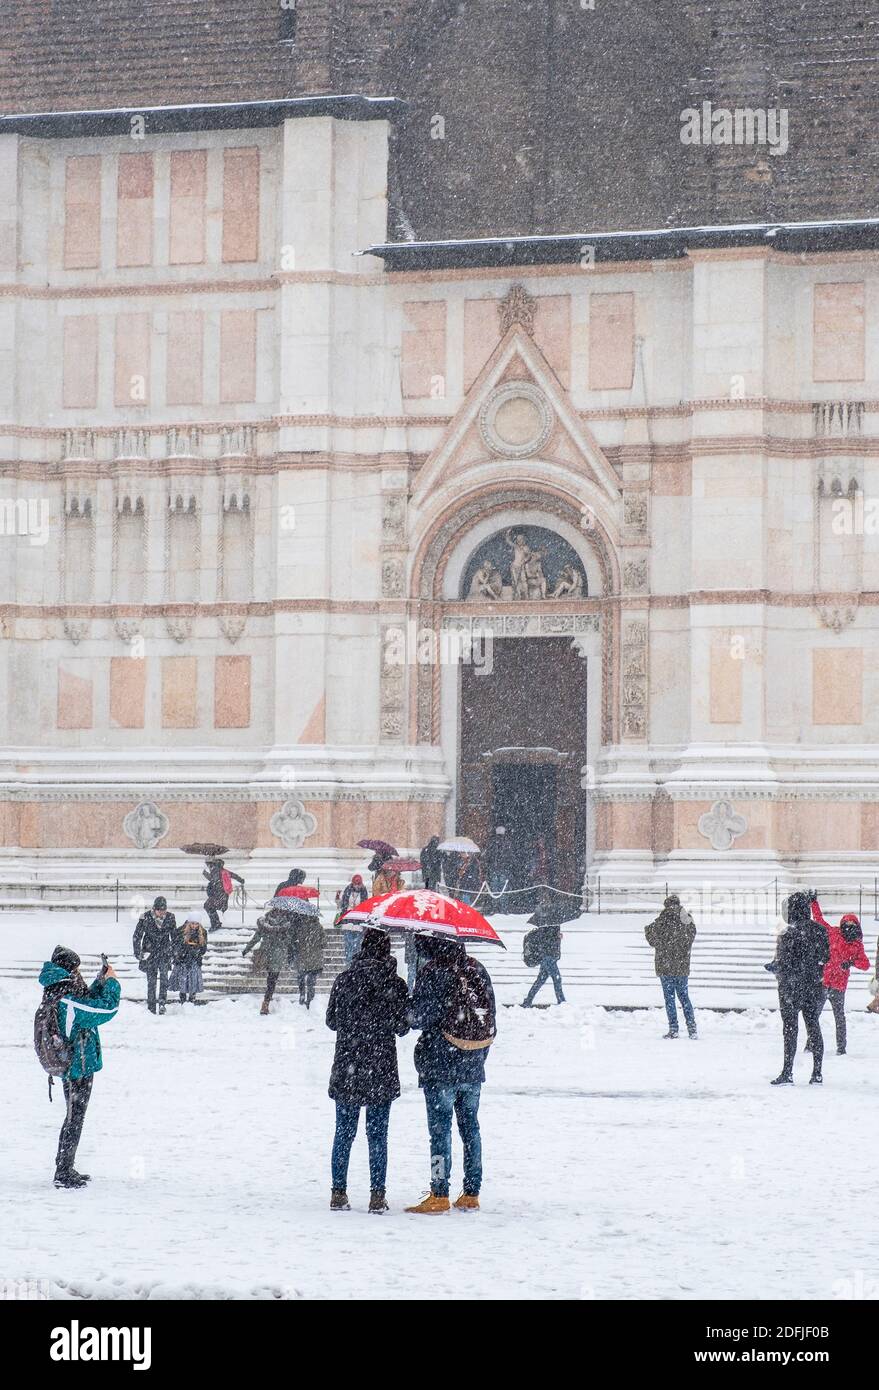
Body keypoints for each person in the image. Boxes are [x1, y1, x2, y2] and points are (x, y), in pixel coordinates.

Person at [405, 936, 496, 1214]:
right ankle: (471, 1191)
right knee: (471, 1130)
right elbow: (489, 1017)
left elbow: (419, 1018)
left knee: (440, 1133)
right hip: (472, 1065)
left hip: (440, 1065)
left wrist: (410, 1005)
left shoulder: (433, 972)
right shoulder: (477, 969)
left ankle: (439, 1190)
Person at [326, 926, 411, 1213]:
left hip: (348, 1065)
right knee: (377, 1135)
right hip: (380, 1068)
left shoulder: (344, 980)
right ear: (387, 951)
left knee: (344, 1132)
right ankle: (377, 1194)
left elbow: (331, 1021)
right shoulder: (395, 984)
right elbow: (402, 1027)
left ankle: (338, 1191)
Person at [37, 946, 121, 1189]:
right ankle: (63, 1171)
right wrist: (113, 983)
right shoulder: (65, 997)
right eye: (76, 968)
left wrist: (99, 980)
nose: (78, 972)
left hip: (76, 1063)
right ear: (68, 969)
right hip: (76, 1066)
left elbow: (87, 1002)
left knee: (74, 1116)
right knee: (74, 1118)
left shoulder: (60, 989)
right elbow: (104, 1009)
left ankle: (65, 1165)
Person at [766, 891, 829, 1085]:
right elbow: (825, 957)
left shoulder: (788, 933)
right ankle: (817, 1073)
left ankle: (788, 1072)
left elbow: (784, 962)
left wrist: (774, 967)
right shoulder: (820, 930)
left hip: (791, 988)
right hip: (814, 987)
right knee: (814, 1027)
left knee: (790, 1030)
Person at [807, 896, 869, 1056]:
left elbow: (865, 964)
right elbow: (819, 920)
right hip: (824, 982)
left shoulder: (857, 945)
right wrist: (814, 903)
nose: (849, 927)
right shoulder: (833, 933)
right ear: (842, 925)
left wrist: (851, 963)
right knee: (814, 1015)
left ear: (856, 926)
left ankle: (841, 1048)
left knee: (839, 1019)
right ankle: (810, 1043)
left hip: (839, 987)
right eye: (846, 924)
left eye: (852, 925)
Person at [645, 894, 697, 1039]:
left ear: (666, 905)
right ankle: (692, 1028)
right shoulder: (687, 919)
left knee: (670, 999)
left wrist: (648, 930)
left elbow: (651, 938)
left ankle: (673, 1028)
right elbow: (691, 936)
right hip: (681, 966)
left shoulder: (662, 920)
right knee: (684, 997)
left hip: (665, 966)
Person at [242, 909, 297, 1015]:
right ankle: (266, 1001)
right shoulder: (285, 926)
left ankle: (267, 999)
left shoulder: (265, 924)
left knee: (270, 978)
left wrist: (247, 949)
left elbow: (255, 938)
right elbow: (290, 942)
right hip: (277, 956)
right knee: (273, 979)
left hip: (267, 955)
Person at [132, 896, 176, 1015]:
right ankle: (151, 1005)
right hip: (150, 953)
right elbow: (137, 935)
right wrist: (138, 952)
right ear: (154, 909)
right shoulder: (145, 917)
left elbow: (174, 936)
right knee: (151, 982)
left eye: (164, 910)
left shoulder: (170, 917)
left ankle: (162, 1003)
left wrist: (174, 952)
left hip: (164, 953)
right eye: (160, 910)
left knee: (164, 980)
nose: (162, 913)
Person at [522, 916, 565, 1007]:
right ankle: (562, 1001)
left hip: (549, 957)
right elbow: (546, 941)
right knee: (557, 979)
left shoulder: (551, 923)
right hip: (548, 957)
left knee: (540, 981)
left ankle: (528, 1000)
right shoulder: (547, 925)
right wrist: (556, 937)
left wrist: (558, 936)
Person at [169, 908, 209, 1004]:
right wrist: (183, 951)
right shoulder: (181, 931)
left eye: (196, 924)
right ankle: (182, 998)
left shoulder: (203, 933)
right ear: (189, 923)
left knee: (193, 981)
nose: (194, 926)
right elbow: (176, 944)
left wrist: (197, 951)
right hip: (183, 959)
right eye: (192, 923)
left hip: (195, 960)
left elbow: (204, 948)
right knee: (183, 981)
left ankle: (192, 998)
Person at [203, 857, 244, 933]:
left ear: (214, 864)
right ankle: (216, 923)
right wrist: (241, 880)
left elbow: (213, 880)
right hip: (223, 896)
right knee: (209, 907)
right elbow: (234, 875)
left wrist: (205, 873)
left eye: (210, 864)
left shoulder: (215, 871)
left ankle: (215, 924)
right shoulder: (224, 871)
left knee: (208, 906)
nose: (209, 866)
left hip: (217, 895)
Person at [336, 873, 368, 965]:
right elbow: (343, 905)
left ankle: (354, 964)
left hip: (358, 922)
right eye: (355, 883)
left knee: (356, 946)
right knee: (348, 946)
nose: (357, 886)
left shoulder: (364, 891)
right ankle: (348, 964)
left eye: (359, 884)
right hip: (348, 921)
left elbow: (365, 905)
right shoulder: (348, 890)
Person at [294, 910, 324, 1008]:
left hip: (303, 957)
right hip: (315, 959)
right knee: (311, 980)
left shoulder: (300, 926)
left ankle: (302, 993)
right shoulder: (318, 927)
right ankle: (310, 998)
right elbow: (324, 943)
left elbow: (296, 941)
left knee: (301, 977)